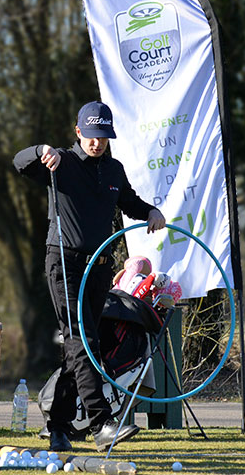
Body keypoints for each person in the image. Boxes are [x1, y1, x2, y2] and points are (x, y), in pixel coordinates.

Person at [13, 101, 166, 453]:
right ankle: (100, 424)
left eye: (103, 137)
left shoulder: (113, 169)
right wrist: (40, 150)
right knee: (83, 341)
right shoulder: (59, 163)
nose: (97, 143)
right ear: (78, 131)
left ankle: (58, 429)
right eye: (91, 135)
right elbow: (19, 163)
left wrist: (151, 212)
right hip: (64, 264)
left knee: (80, 346)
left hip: (99, 267)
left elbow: (129, 202)